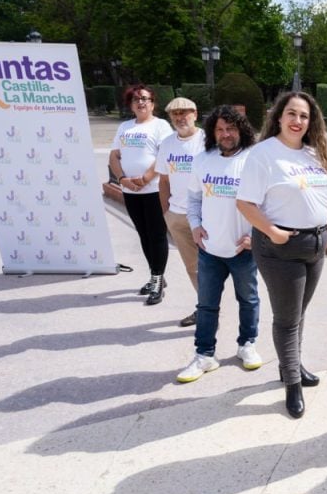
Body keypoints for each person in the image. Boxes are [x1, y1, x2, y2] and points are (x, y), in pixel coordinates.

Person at [237, 92, 327, 419]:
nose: (298, 121)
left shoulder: (314, 153)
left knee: (298, 312)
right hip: (280, 247)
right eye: (292, 114)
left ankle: (291, 365)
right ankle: (292, 382)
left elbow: (324, 194)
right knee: (286, 317)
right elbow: (245, 203)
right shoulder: (264, 154)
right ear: (278, 116)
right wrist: (273, 232)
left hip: (315, 245)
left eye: (304, 116)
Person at [176, 106, 262, 382]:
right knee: (206, 305)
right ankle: (204, 355)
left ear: (241, 130)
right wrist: (195, 226)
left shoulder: (253, 160)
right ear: (213, 132)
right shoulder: (203, 160)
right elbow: (193, 200)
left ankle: (246, 345)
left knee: (248, 300)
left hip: (242, 250)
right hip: (209, 250)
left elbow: (267, 204)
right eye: (220, 129)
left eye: (231, 129)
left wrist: (255, 236)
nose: (226, 134)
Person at [109, 84, 173, 304]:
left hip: (154, 190)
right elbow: (114, 157)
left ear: (153, 103)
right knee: (144, 235)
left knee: (156, 235)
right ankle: (156, 275)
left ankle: (157, 280)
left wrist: (146, 178)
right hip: (130, 191)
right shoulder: (124, 127)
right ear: (131, 104)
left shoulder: (160, 126)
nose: (141, 102)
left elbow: (165, 156)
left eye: (145, 98)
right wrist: (123, 180)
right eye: (136, 99)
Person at [156, 97, 206, 327]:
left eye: (184, 112)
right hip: (177, 216)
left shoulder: (208, 140)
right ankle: (205, 309)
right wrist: (167, 212)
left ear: (195, 113)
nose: (180, 117)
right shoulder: (167, 144)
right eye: (175, 114)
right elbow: (164, 180)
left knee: (216, 267)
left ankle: (213, 307)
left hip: (206, 217)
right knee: (193, 268)